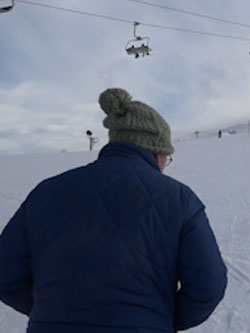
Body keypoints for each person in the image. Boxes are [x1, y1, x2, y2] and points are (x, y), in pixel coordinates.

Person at [0, 88, 227, 332]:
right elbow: (208, 287)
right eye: (166, 158)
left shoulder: (45, 193)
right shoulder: (180, 199)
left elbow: (5, 274)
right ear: (155, 152)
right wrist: (161, 320)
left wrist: (49, 312)